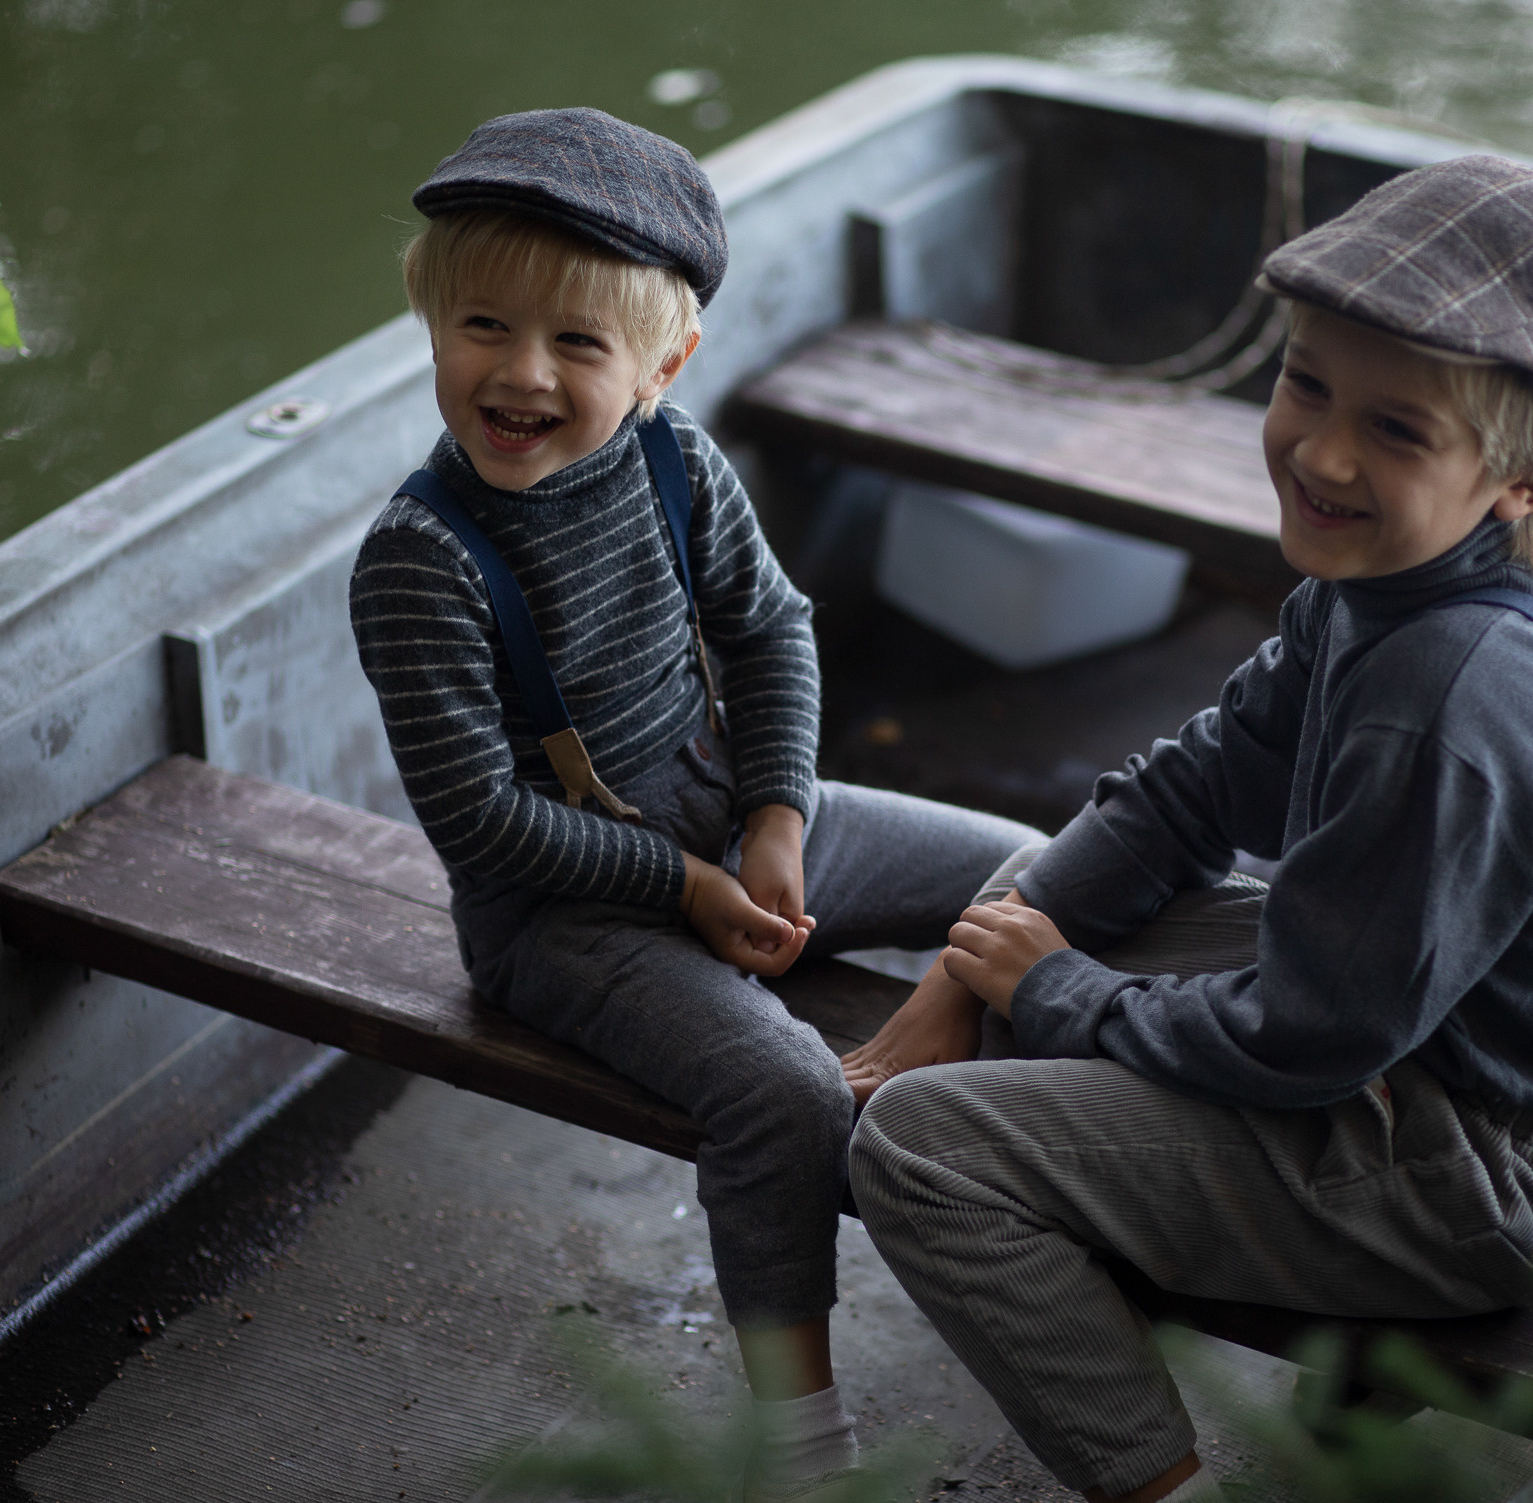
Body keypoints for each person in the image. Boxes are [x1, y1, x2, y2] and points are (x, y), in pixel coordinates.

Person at [843, 155, 1533, 1503]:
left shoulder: (1449, 697)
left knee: (922, 1149)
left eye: (1399, 431)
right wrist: (976, 976)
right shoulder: (1383, 582)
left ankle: (1156, 1484)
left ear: (1532, 476)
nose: (1321, 453)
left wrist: (1059, 995)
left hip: (1495, 1163)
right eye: (1307, 383)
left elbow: (1309, 1041)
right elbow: (1199, 789)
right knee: (1042, 888)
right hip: (1420, 1036)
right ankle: (1082, 1155)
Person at [348, 107, 1039, 1500]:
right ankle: (800, 1440)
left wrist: (776, 817)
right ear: (430, 320)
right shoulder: (419, 563)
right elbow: (480, 824)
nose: (522, 375)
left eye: (579, 346)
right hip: (558, 909)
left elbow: (771, 627)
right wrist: (683, 890)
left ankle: (1016, 1138)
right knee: (784, 1092)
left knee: (1032, 869)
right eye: (483, 326)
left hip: (728, 810)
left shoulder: (677, 460)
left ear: (665, 365)